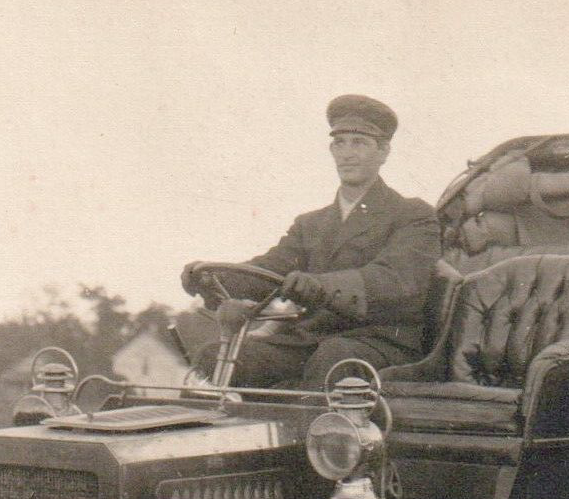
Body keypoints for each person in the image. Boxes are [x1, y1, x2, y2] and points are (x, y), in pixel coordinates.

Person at [183, 94, 441, 389]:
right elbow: (271, 270)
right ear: (332, 150)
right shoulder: (312, 224)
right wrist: (214, 276)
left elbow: (396, 279)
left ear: (383, 152)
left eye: (359, 143)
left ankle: (310, 433)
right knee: (215, 356)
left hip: (380, 342)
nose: (347, 153)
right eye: (340, 143)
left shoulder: (413, 215)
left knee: (332, 359)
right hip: (312, 342)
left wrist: (322, 286)